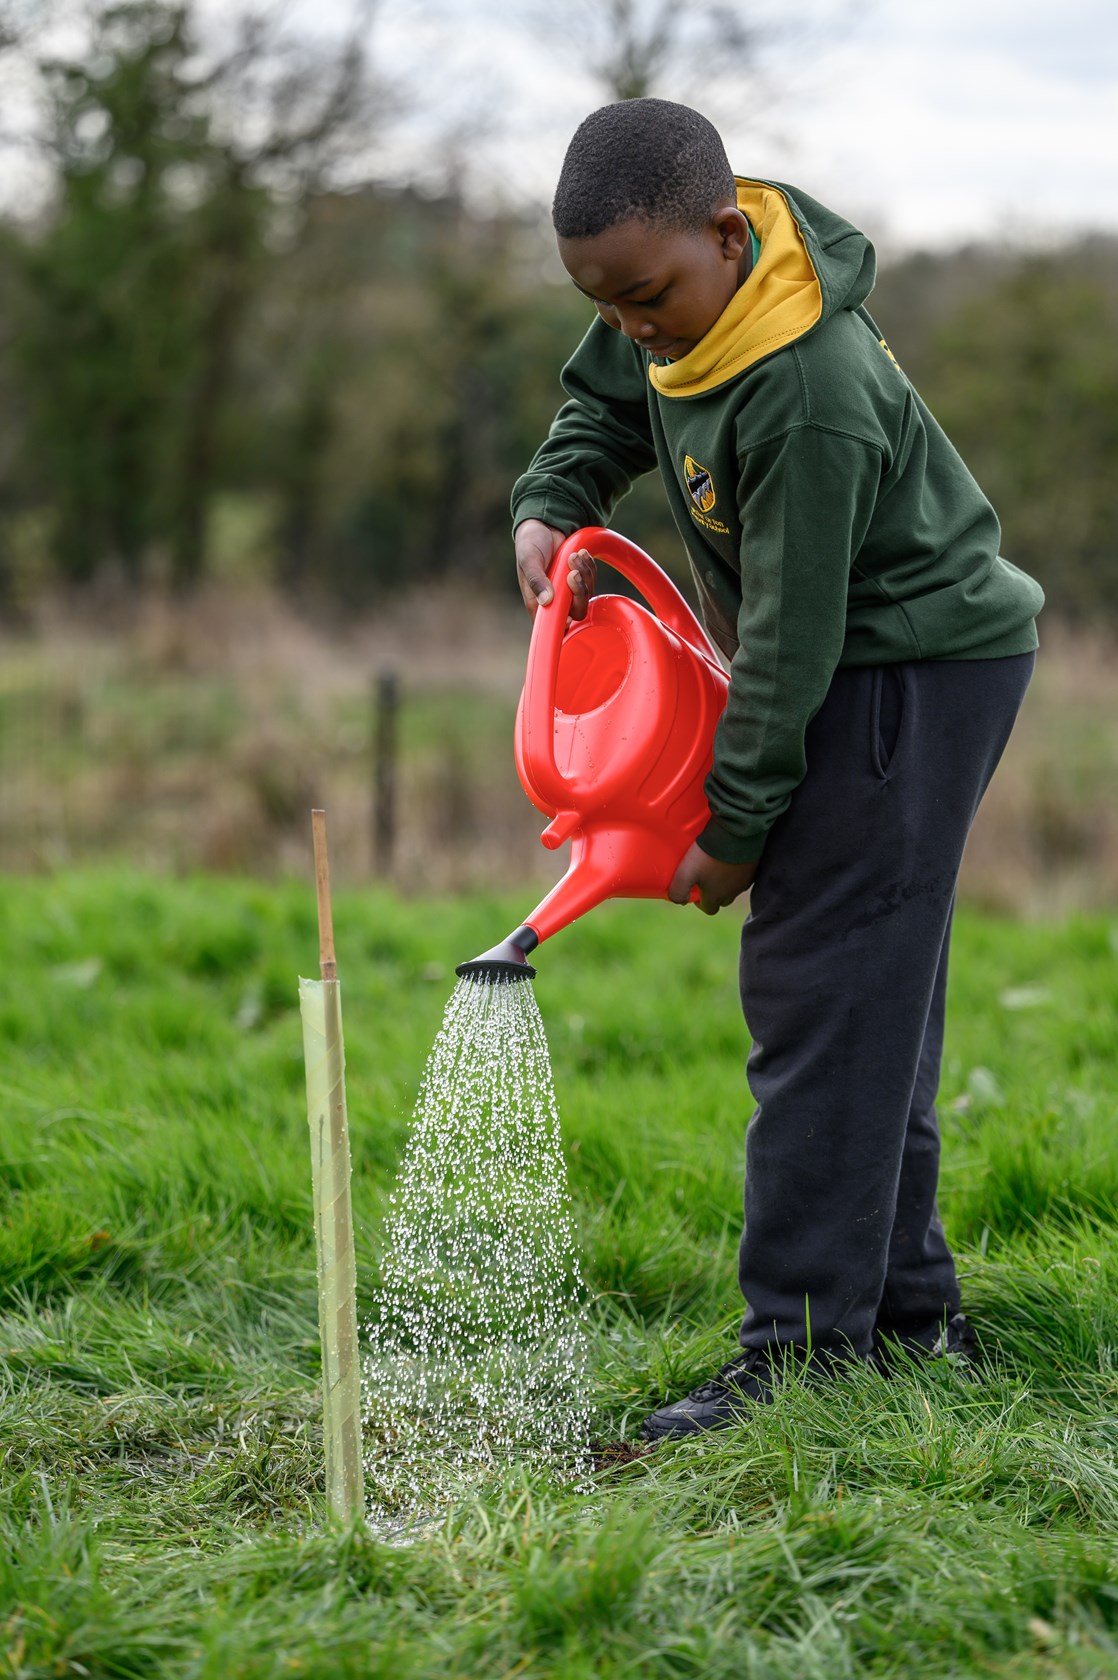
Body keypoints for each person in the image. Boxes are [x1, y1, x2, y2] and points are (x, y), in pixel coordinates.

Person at [511, 99, 1043, 1441]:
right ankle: (911, 1323)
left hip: (905, 672)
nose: (633, 325)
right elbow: (602, 402)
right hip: (853, 664)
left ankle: (801, 1355)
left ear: (724, 232)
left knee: (819, 991)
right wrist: (552, 499)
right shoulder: (669, 304)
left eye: (645, 297)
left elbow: (791, 647)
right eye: (605, 302)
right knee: (866, 993)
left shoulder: (805, 390)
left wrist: (736, 829)